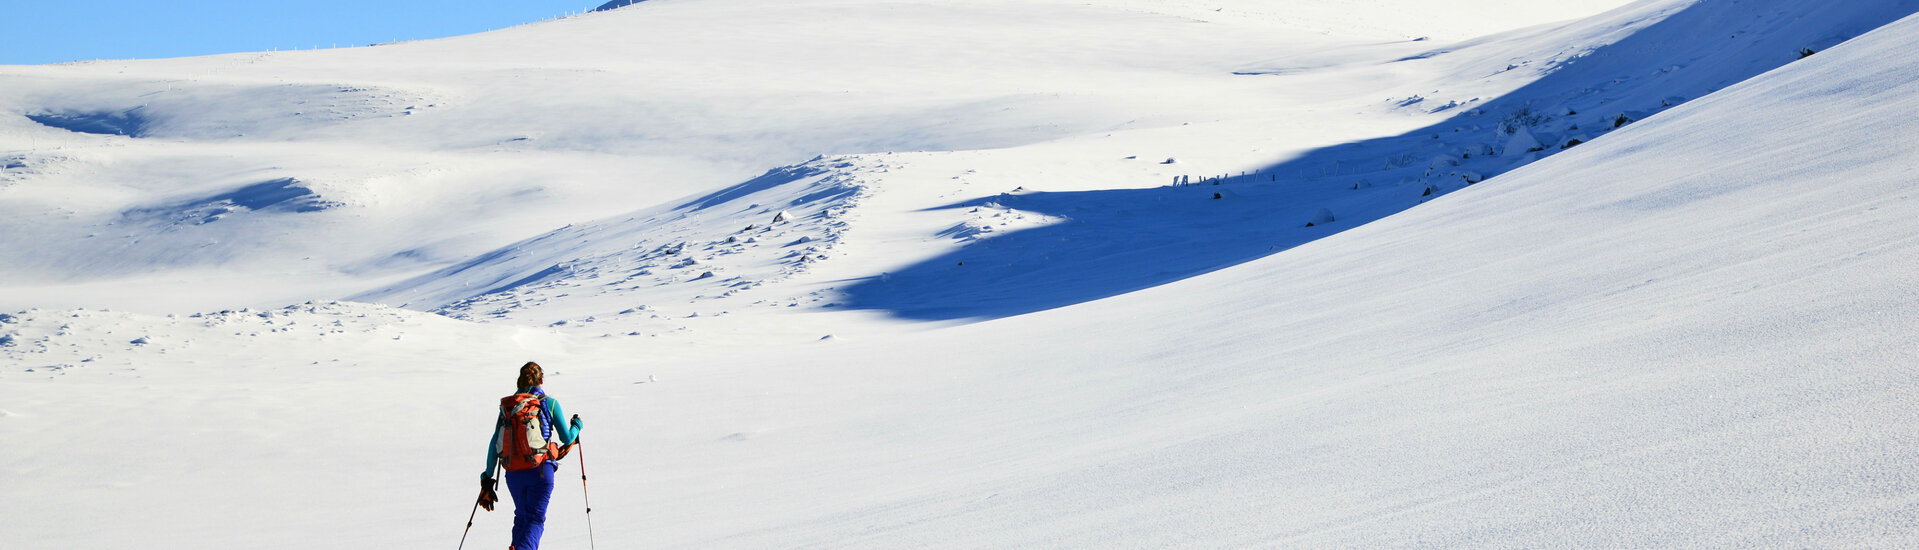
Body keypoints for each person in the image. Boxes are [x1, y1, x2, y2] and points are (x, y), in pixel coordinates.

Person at [482, 361, 583, 550]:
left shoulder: (509, 407)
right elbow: (567, 438)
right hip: (541, 470)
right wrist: (577, 426)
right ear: (541, 380)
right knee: (535, 519)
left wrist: (487, 477)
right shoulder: (549, 403)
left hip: (513, 473)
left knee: (522, 517)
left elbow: (494, 442)